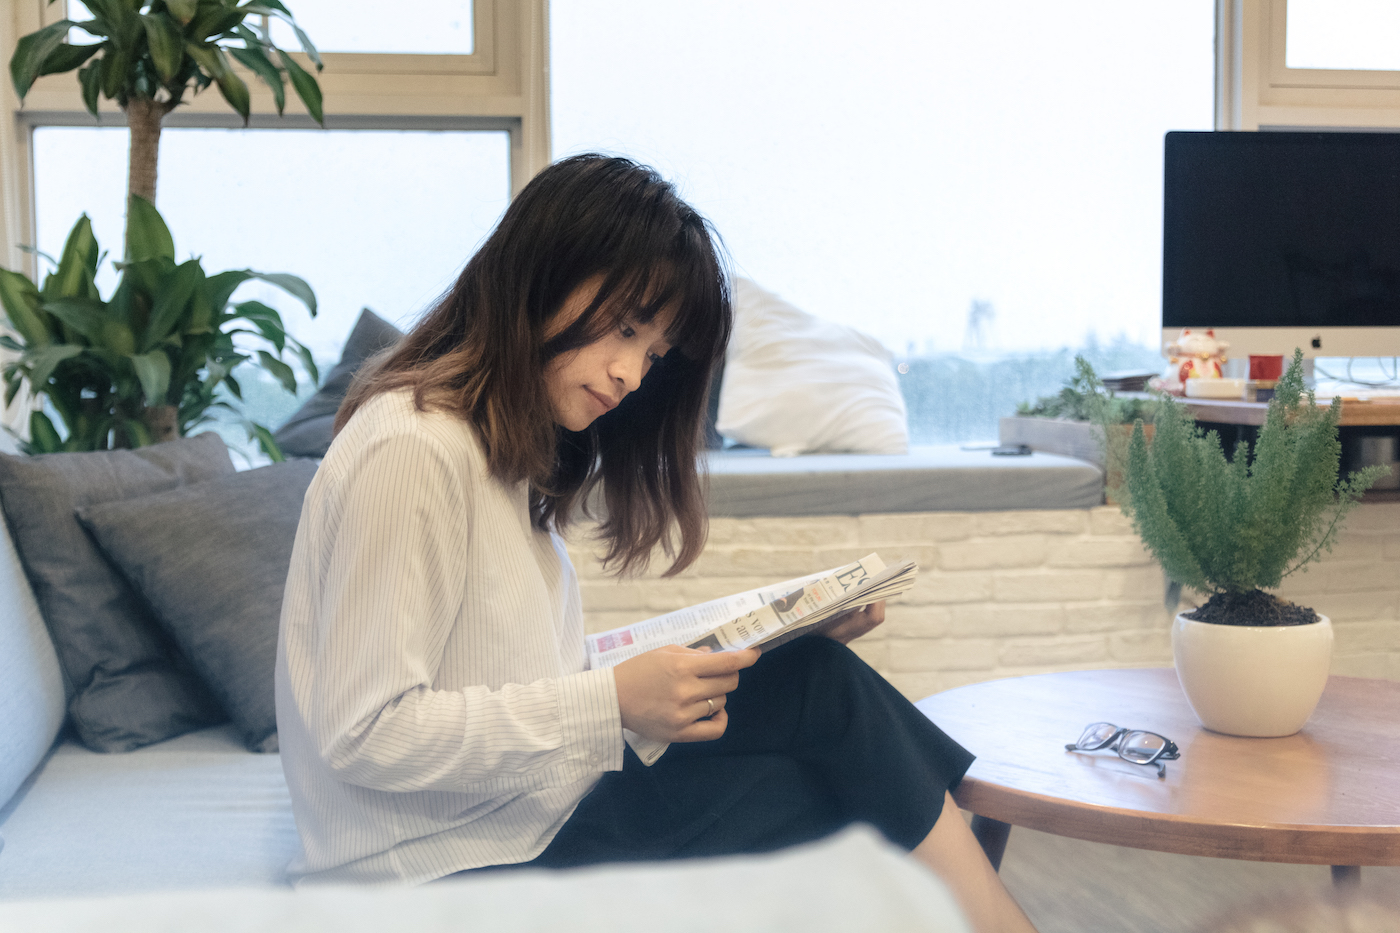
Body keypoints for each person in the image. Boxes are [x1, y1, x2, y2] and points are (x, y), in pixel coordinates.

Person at [275, 154, 1036, 932]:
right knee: (822, 747)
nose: (632, 373)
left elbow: (507, 677)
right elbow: (365, 731)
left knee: (811, 689)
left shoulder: (492, 455)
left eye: (654, 352)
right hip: (444, 873)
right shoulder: (413, 449)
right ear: (545, 268)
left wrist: (760, 637)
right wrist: (612, 701)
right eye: (629, 328)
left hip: (512, 827)